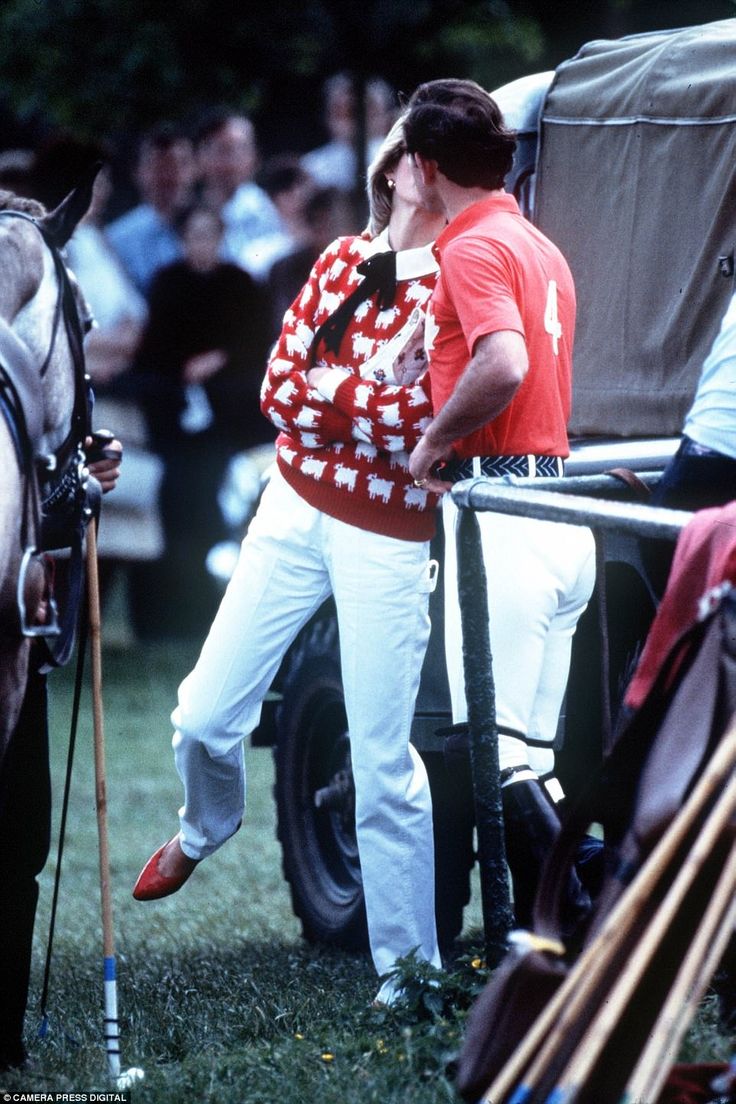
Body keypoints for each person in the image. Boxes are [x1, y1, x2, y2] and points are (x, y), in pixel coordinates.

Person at [132, 116, 447, 1006]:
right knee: (202, 715)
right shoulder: (341, 259)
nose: (414, 172)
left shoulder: (456, 279)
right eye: (405, 155)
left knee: (382, 761)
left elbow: (424, 420)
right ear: (388, 170)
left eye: (431, 159)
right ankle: (206, 825)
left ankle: (409, 972)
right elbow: (278, 389)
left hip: (387, 527)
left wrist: (333, 392)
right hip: (293, 502)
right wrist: (363, 401)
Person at [404, 79, 596, 932]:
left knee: (500, 756)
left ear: (425, 166)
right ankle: (580, 932)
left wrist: (433, 439)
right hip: (559, 507)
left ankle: (584, 938)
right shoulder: (537, 243)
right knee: (537, 762)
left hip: (503, 515)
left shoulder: (472, 247)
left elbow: (505, 362)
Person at [0, 438, 123, 1071]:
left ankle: (3, 1038)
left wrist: (81, 480)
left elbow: (34, 516)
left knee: (19, 842)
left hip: (14, 646)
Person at [133, 202, 273, 636]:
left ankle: (212, 615)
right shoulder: (168, 282)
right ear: (183, 240)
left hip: (229, 422)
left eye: (210, 235)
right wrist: (185, 369)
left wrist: (219, 360)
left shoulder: (240, 284)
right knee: (177, 507)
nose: (203, 244)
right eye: (195, 235)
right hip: (178, 421)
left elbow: (257, 343)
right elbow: (154, 349)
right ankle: (168, 618)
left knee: (216, 507)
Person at [106, 123, 197, 296]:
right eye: (159, 166)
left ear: (195, 169)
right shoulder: (117, 240)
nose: (169, 176)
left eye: (179, 165)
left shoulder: (221, 225)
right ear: (137, 173)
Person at [193, 109, 281, 272]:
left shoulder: (269, 210)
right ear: (200, 156)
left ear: (255, 156)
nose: (232, 161)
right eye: (222, 150)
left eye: (241, 149)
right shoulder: (187, 210)